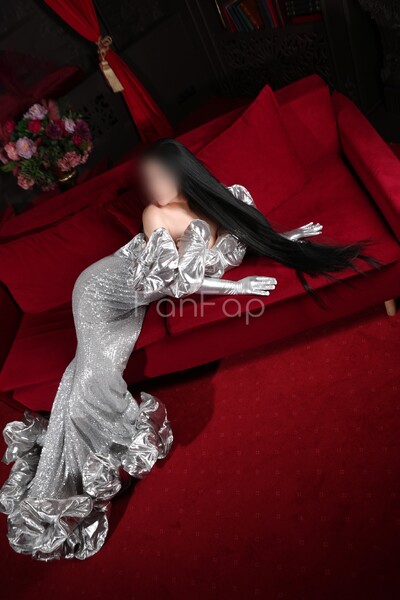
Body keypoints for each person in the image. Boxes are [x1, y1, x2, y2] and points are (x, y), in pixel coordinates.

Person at [0, 139, 374, 561]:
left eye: (163, 177)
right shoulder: (156, 214)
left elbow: (240, 234)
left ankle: (65, 472)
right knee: (94, 378)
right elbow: (181, 283)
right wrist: (236, 287)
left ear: (184, 173)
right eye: (150, 179)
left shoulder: (217, 202)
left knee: (83, 376)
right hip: (101, 292)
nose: (155, 186)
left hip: (132, 302)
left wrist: (284, 240)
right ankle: (58, 492)